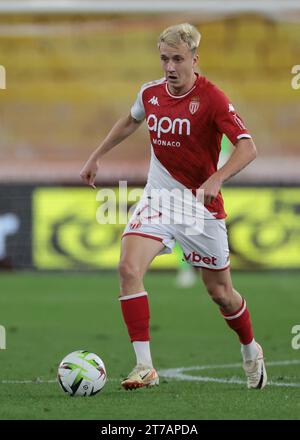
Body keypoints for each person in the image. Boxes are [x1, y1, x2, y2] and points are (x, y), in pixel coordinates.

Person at [80, 23, 267, 391]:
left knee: (221, 294)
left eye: (178, 59)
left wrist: (217, 179)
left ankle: (250, 350)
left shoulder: (212, 98)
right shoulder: (150, 93)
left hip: (199, 207)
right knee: (128, 267)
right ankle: (145, 366)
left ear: (194, 60)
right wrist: (96, 155)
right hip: (158, 199)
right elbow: (131, 119)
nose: (170, 67)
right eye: (164, 59)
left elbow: (248, 147)